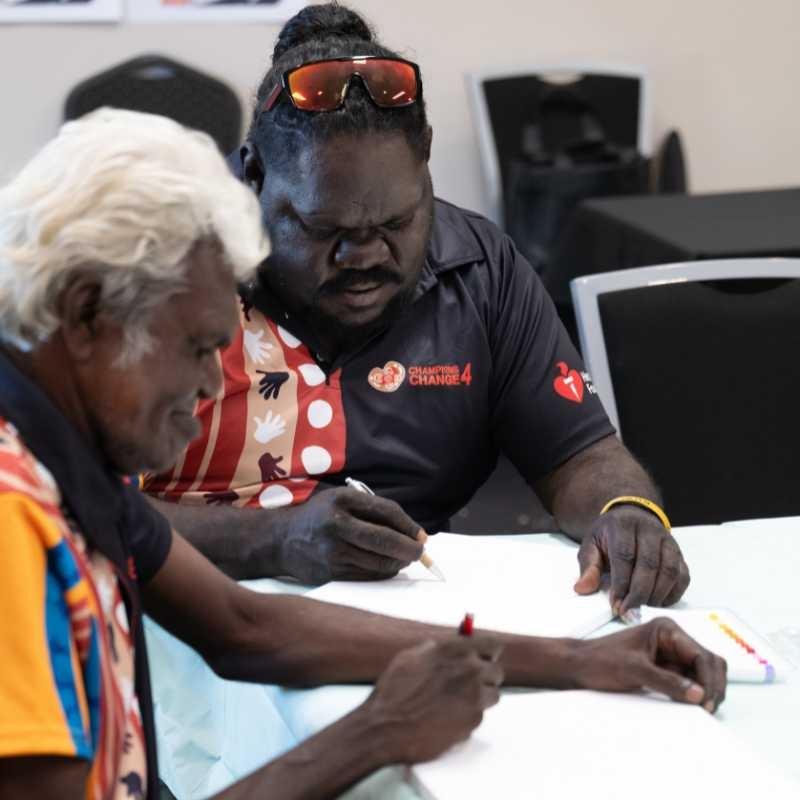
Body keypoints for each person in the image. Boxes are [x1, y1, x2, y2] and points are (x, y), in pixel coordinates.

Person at [0, 109, 726, 800]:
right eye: (195, 348)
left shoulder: (56, 461)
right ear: (89, 313)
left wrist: (584, 661)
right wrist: (376, 732)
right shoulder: (13, 523)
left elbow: (243, 626)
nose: (205, 384)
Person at [144, 3, 689, 615]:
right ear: (254, 174)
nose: (365, 255)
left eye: (398, 222)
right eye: (326, 228)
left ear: (426, 160)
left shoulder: (478, 271)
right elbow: (68, 501)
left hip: (409, 623)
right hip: (179, 622)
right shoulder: (171, 274)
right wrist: (271, 539)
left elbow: (577, 452)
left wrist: (628, 514)